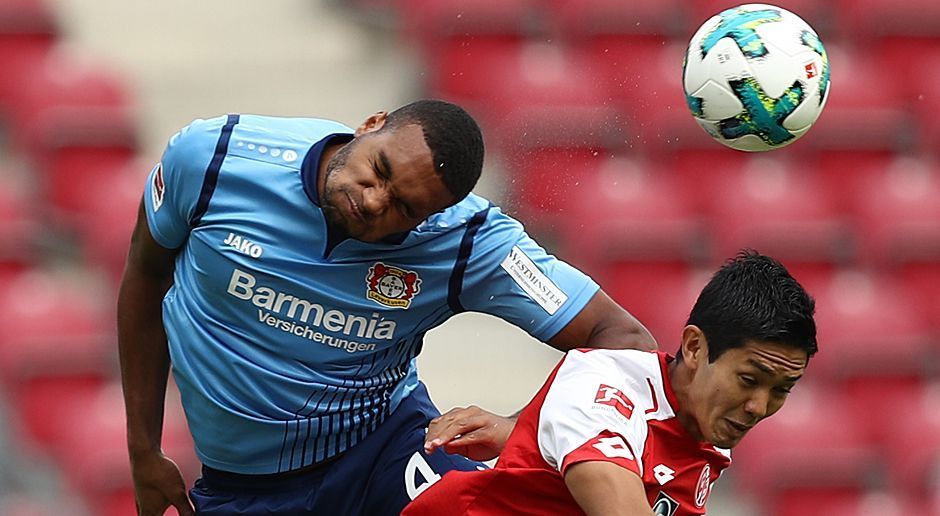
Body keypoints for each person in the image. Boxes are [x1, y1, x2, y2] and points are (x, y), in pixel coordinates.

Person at [117, 99, 657, 516]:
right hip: (241, 485)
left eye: (403, 206)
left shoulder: (466, 241)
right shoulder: (215, 158)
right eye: (379, 170)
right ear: (371, 123)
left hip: (385, 452)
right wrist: (143, 449)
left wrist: (524, 425)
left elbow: (623, 339)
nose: (374, 199)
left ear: (434, 216)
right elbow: (145, 273)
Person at [404, 251, 817, 516]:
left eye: (781, 390)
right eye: (749, 380)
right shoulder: (603, 388)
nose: (758, 407)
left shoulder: (707, 430)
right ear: (694, 347)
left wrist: (528, 434)